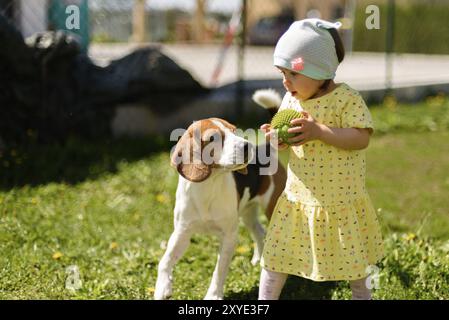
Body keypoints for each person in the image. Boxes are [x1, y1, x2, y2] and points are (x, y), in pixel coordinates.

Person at [259, 19, 384, 300]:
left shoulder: (346, 99)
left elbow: (360, 138)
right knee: (275, 258)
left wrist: (319, 131)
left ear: (321, 70)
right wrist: (276, 140)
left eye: (293, 73)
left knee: (356, 265)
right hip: (297, 200)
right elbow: (288, 143)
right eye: (282, 73)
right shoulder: (291, 100)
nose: (285, 81)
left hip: (340, 200)